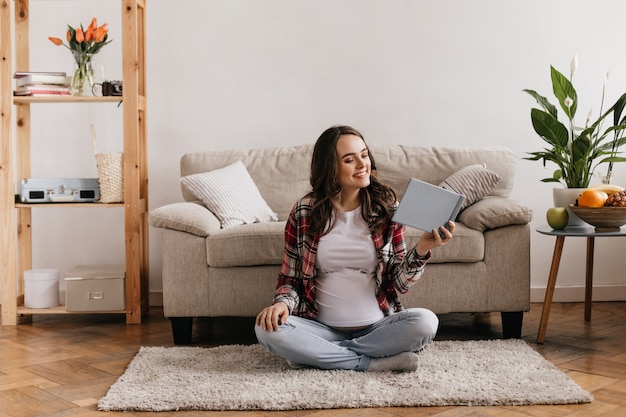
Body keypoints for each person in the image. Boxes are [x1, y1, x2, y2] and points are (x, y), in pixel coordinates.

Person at [254, 125, 454, 372]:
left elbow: (398, 285)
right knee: (265, 329)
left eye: (364, 155)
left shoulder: (388, 207)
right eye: (350, 159)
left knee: (426, 322)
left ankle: (317, 355)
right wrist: (282, 304)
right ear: (330, 168)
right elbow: (291, 277)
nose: (362, 164)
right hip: (320, 327)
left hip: (376, 327)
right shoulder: (304, 211)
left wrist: (423, 248)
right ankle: (370, 362)